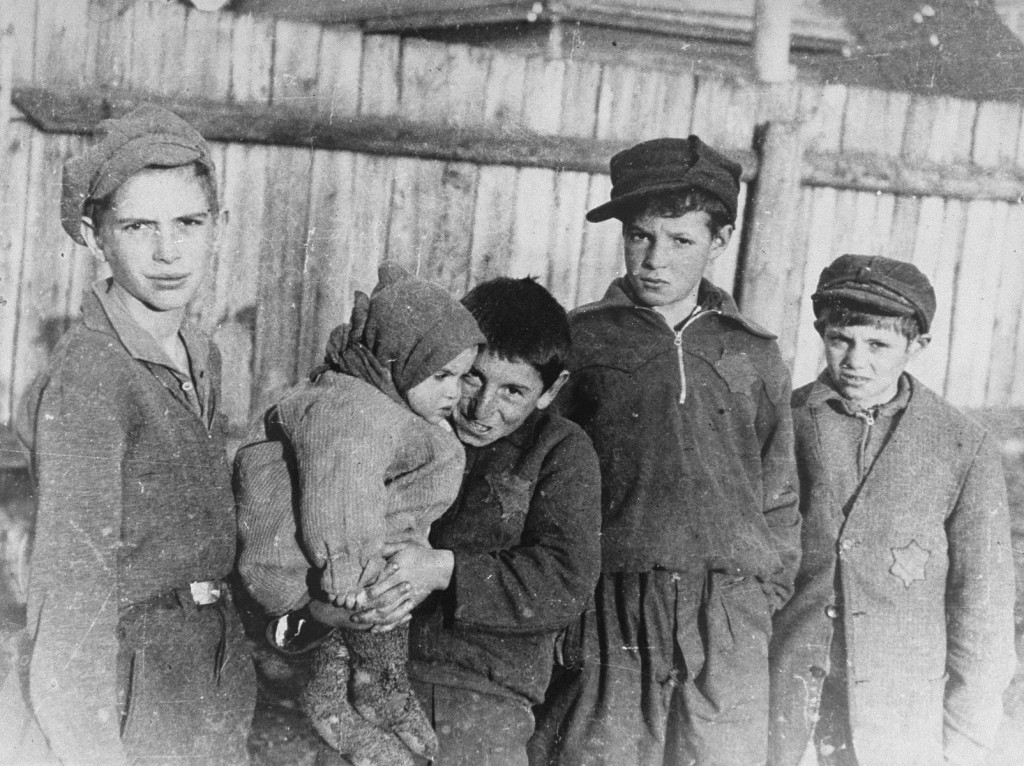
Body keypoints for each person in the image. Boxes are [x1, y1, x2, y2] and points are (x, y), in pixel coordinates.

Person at [529, 136, 801, 766]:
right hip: (611, 605)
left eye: (681, 241)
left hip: (724, 611)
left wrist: (760, 594)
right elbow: (541, 473)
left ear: (720, 242)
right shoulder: (581, 340)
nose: (655, 259)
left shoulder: (752, 352)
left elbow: (779, 489)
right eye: (640, 236)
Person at [0, 105, 257, 764]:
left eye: (189, 223)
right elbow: (69, 595)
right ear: (94, 237)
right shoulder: (92, 372)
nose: (169, 252)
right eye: (138, 226)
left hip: (206, 675)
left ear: (218, 228)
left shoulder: (201, 353)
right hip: (123, 691)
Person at [768, 255, 1017, 766]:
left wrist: (964, 742)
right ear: (821, 332)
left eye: (878, 344)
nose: (856, 360)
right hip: (789, 708)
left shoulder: (962, 445)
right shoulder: (782, 425)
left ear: (916, 346)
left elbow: (982, 606)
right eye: (841, 339)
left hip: (898, 723)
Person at [234, 264, 484, 766]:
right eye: (441, 376)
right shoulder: (352, 412)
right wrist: (347, 570)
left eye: (462, 377)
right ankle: (339, 706)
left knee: (377, 599)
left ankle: (379, 686)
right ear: (396, 361)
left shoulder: (380, 404)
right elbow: (340, 491)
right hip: (297, 563)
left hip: (327, 558)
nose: (455, 393)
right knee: (335, 643)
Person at [350, 276, 602, 766]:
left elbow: (565, 579)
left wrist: (442, 569)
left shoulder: (559, 452)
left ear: (551, 391)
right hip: (369, 677)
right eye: (473, 378)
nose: (483, 408)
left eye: (513, 390)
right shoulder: (402, 422)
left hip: (481, 695)